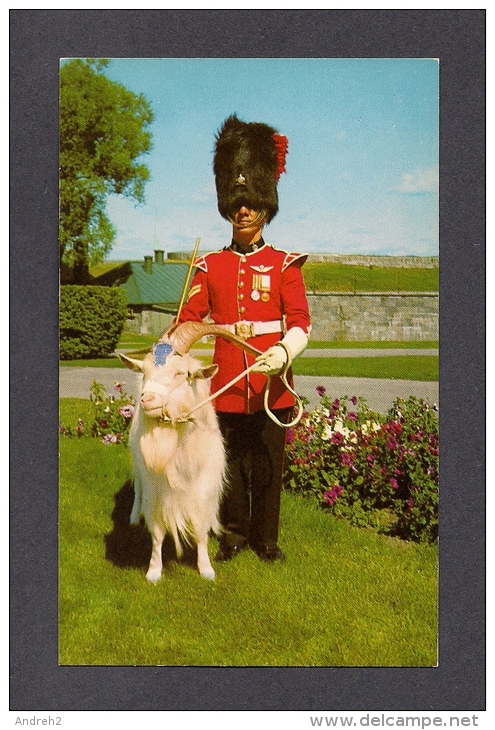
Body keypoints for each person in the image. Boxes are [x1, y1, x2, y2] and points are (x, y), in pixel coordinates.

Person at [168, 115, 311, 563]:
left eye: (250, 203)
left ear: (265, 206)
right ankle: (231, 535)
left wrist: (284, 351)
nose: (243, 210)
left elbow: (301, 321)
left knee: (269, 467)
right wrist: (158, 357)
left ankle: (266, 540)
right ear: (228, 208)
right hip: (227, 387)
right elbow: (186, 325)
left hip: (272, 386)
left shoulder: (285, 264)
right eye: (236, 203)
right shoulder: (210, 267)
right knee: (227, 467)